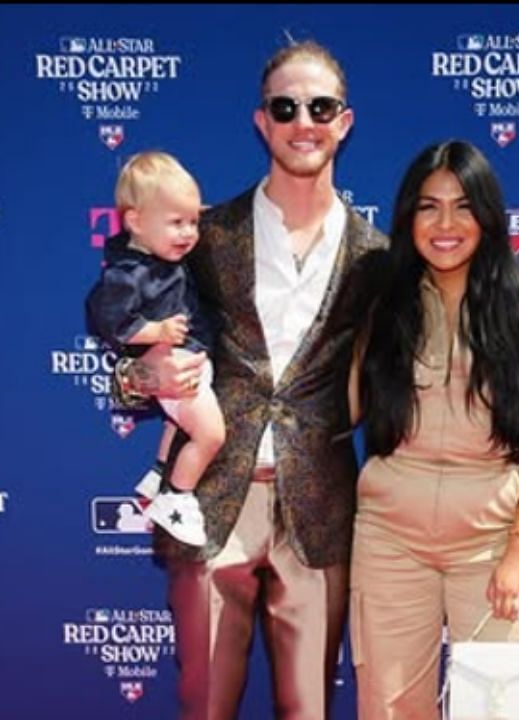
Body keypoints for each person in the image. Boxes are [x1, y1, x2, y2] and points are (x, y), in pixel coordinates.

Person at [111, 40, 388, 719]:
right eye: (284, 107)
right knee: (204, 704)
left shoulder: (377, 257)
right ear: (262, 122)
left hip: (318, 512)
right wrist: (141, 375)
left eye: (319, 107)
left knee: (310, 709)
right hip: (209, 502)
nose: (303, 121)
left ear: (343, 122)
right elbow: (128, 358)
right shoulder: (202, 236)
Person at [346, 139, 519, 719]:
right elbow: (342, 408)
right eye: (428, 207)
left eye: (463, 206)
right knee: (390, 711)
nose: (445, 224)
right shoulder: (381, 301)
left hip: (494, 541)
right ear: (408, 217)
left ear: (488, 215)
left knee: (505, 710)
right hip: (389, 542)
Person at [88, 151, 223, 546]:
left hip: (197, 358)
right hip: (182, 365)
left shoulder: (167, 255)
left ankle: (160, 473)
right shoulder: (129, 274)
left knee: (176, 425)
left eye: (194, 221)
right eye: (178, 222)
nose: (189, 233)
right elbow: (110, 323)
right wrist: (152, 343)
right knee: (208, 434)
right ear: (135, 221)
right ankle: (176, 498)